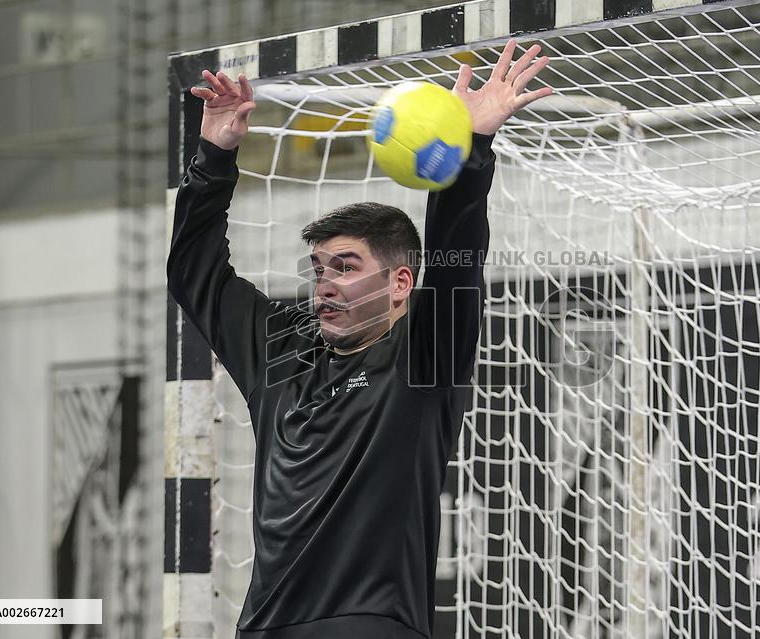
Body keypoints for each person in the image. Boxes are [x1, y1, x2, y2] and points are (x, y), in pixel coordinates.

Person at [167, 39, 552, 639]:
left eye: (345, 267)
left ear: (402, 283)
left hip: (370, 625)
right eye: (318, 269)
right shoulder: (280, 354)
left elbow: (458, 253)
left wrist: (470, 147)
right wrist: (215, 155)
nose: (323, 284)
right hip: (265, 627)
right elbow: (195, 274)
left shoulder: (425, 357)